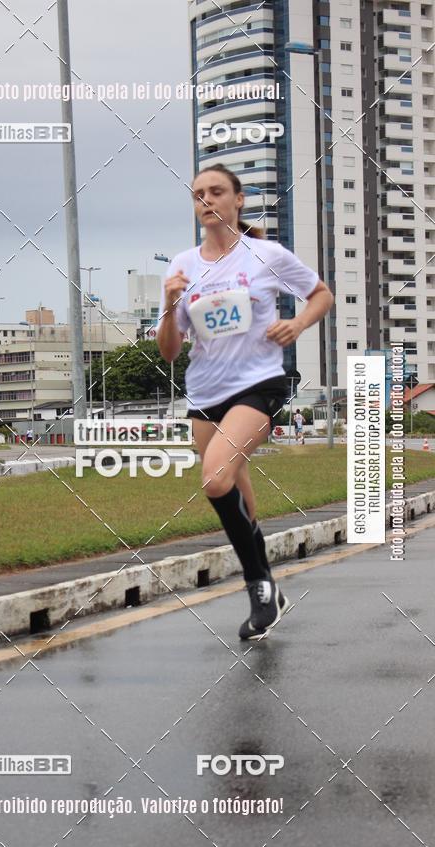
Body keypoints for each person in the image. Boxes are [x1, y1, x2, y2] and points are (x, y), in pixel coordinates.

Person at [156, 163, 334, 640]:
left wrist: (297, 325)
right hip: (205, 391)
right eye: (198, 194)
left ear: (238, 200)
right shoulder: (182, 266)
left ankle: (257, 585)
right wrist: (171, 305)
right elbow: (169, 351)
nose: (206, 200)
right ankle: (270, 588)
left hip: (259, 383)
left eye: (216, 191)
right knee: (234, 487)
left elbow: (320, 294)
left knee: (215, 478)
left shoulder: (265, 254)